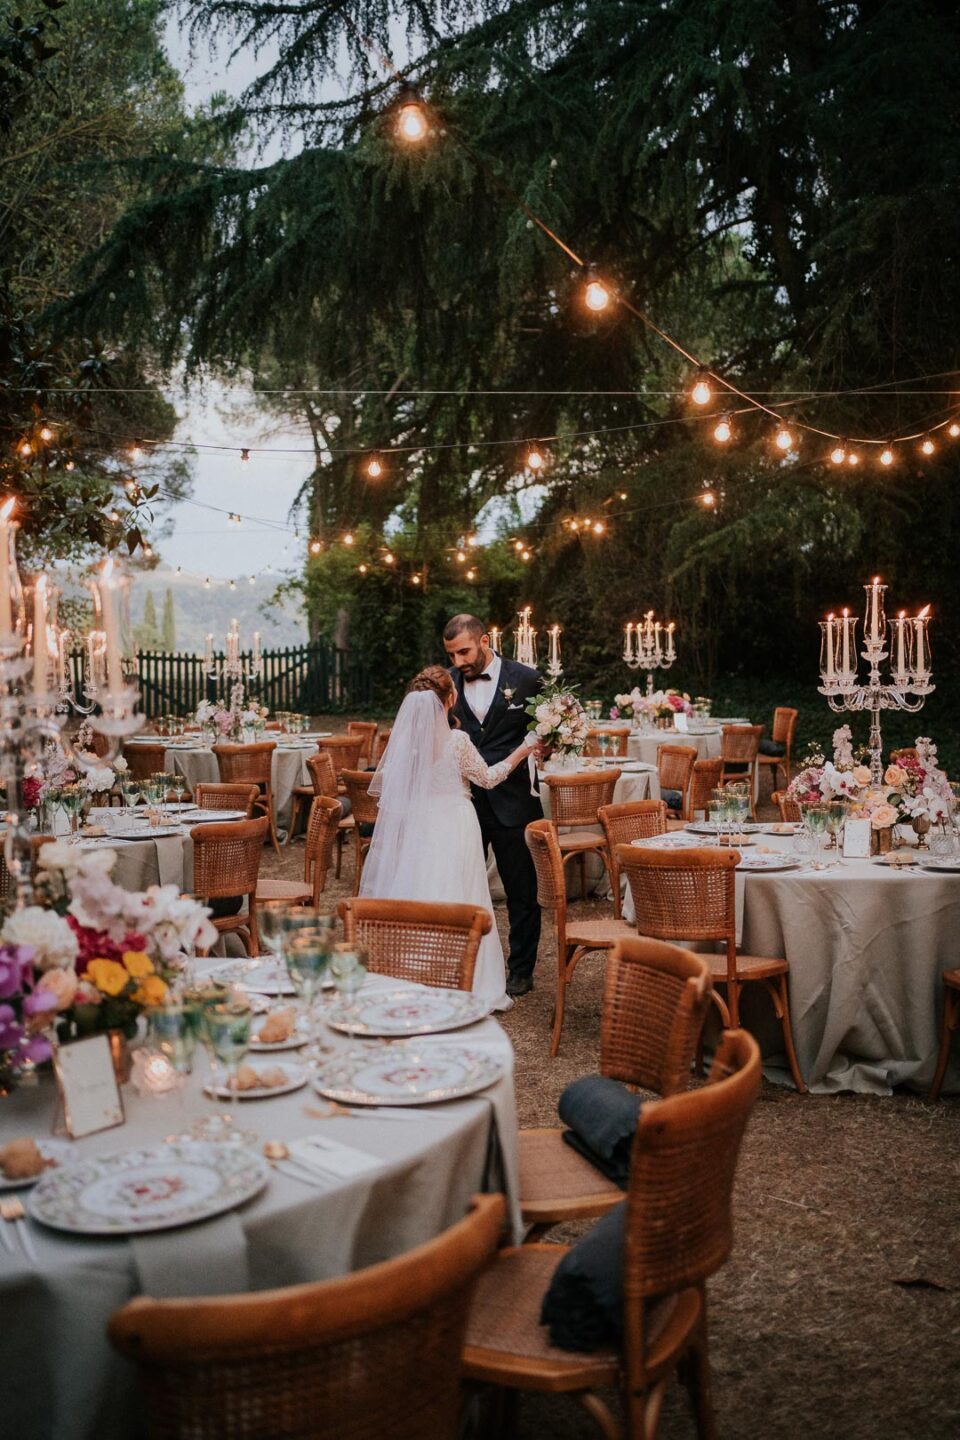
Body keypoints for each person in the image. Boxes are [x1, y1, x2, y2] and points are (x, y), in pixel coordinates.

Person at [359, 667, 538, 1010]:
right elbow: (488, 778)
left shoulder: (407, 744)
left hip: (419, 825)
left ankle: (417, 974)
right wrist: (523, 751)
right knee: (463, 894)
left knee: (420, 891)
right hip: (455, 823)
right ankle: (465, 979)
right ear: (451, 697)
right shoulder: (457, 741)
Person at [443, 614, 543, 997]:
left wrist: (546, 744)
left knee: (522, 888)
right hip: (464, 804)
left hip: (514, 801)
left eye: (464, 651)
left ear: (485, 640)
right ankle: (465, 965)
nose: (459, 662)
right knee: (461, 885)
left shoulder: (527, 679)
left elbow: (550, 727)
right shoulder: (447, 684)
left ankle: (521, 968)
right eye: (451, 654)